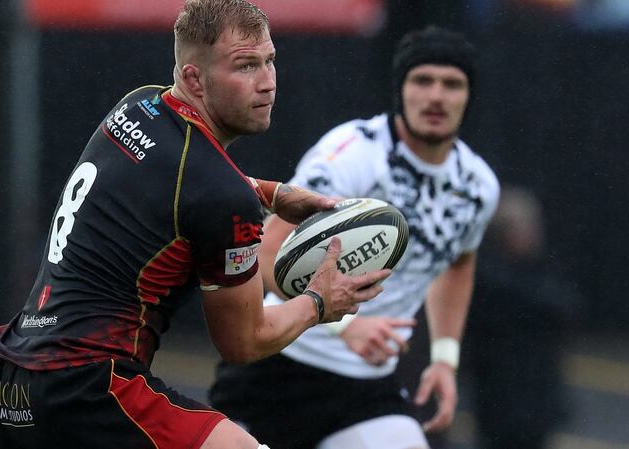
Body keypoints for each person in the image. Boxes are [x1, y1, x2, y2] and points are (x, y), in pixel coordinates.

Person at [0, 1, 390, 449]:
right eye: (245, 66)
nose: (267, 82)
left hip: (10, 384)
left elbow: (183, 180)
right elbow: (245, 342)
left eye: (270, 61)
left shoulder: (138, 107)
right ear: (194, 79)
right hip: (86, 388)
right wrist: (320, 303)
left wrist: (273, 193)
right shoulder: (221, 197)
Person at [209, 25, 500, 449]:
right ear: (400, 88)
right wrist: (346, 325)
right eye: (423, 80)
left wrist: (443, 358)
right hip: (279, 365)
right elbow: (268, 252)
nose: (436, 96)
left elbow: (458, 262)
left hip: (365, 385)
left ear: (469, 95)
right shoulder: (352, 154)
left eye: (452, 84)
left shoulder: (477, 186)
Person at [463, 185, 580, 449]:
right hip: (502, 398)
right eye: (527, 227)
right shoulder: (491, 277)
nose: (534, 234)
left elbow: (567, 307)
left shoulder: (539, 269)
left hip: (533, 397)